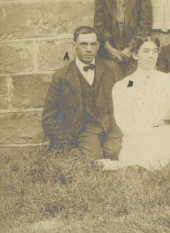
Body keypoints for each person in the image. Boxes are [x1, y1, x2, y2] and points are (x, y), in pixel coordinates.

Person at [42, 26, 122, 159]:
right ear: (74, 45)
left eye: (93, 44)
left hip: (112, 128)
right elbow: (49, 118)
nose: (89, 49)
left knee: (117, 154)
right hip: (84, 131)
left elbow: (128, 102)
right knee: (91, 161)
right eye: (83, 44)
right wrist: (66, 145)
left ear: (98, 45)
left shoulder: (112, 69)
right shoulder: (62, 76)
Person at [111, 36, 170, 169]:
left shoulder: (169, 80)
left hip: (165, 133)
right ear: (135, 55)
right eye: (146, 51)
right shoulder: (123, 86)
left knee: (165, 148)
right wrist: (145, 130)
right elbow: (124, 121)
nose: (151, 55)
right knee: (141, 154)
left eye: (155, 51)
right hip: (138, 135)